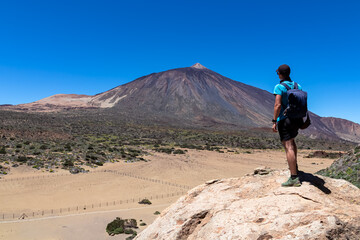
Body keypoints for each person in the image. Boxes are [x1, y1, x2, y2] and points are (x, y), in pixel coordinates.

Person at [272, 64, 303, 187]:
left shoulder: (279, 87)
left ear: (280, 73)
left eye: (277, 73)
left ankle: (294, 178)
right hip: (296, 119)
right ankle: (294, 167)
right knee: (292, 142)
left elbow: (277, 105)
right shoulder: (297, 85)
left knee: (288, 145)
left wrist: (274, 121)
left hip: (285, 120)